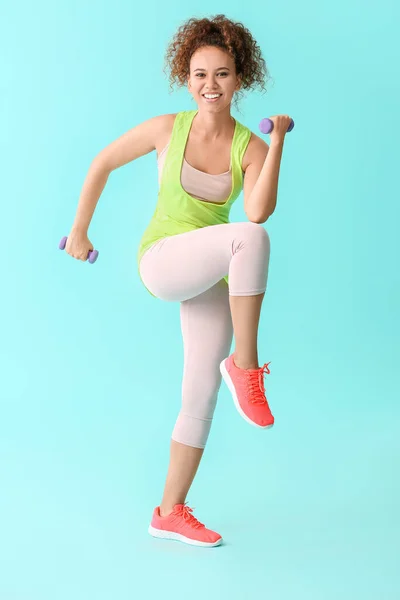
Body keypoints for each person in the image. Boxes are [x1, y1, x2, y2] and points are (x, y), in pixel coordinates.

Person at [65, 14, 292, 548]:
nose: (210, 85)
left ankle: (169, 510)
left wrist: (277, 143)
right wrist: (80, 230)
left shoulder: (248, 147)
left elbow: (257, 211)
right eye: (199, 74)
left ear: (241, 79)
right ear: (185, 78)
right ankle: (246, 365)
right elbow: (102, 163)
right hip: (164, 259)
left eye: (222, 73)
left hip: (209, 268)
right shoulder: (169, 128)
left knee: (199, 393)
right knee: (249, 243)